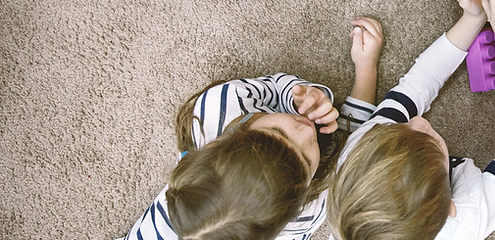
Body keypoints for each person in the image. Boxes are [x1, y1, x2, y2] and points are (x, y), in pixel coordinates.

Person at [326, 0, 495, 240]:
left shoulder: (362, 151)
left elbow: (418, 83)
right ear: (449, 208)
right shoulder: (468, 218)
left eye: (400, 126)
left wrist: (472, 18)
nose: (418, 121)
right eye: (429, 138)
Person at [119, 17, 382, 240]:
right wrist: (366, 69)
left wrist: (301, 96)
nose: (305, 132)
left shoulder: (217, 106)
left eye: (278, 133)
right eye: (304, 159)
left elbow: (276, 86)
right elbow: (353, 148)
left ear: (219, 142)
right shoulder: (305, 213)